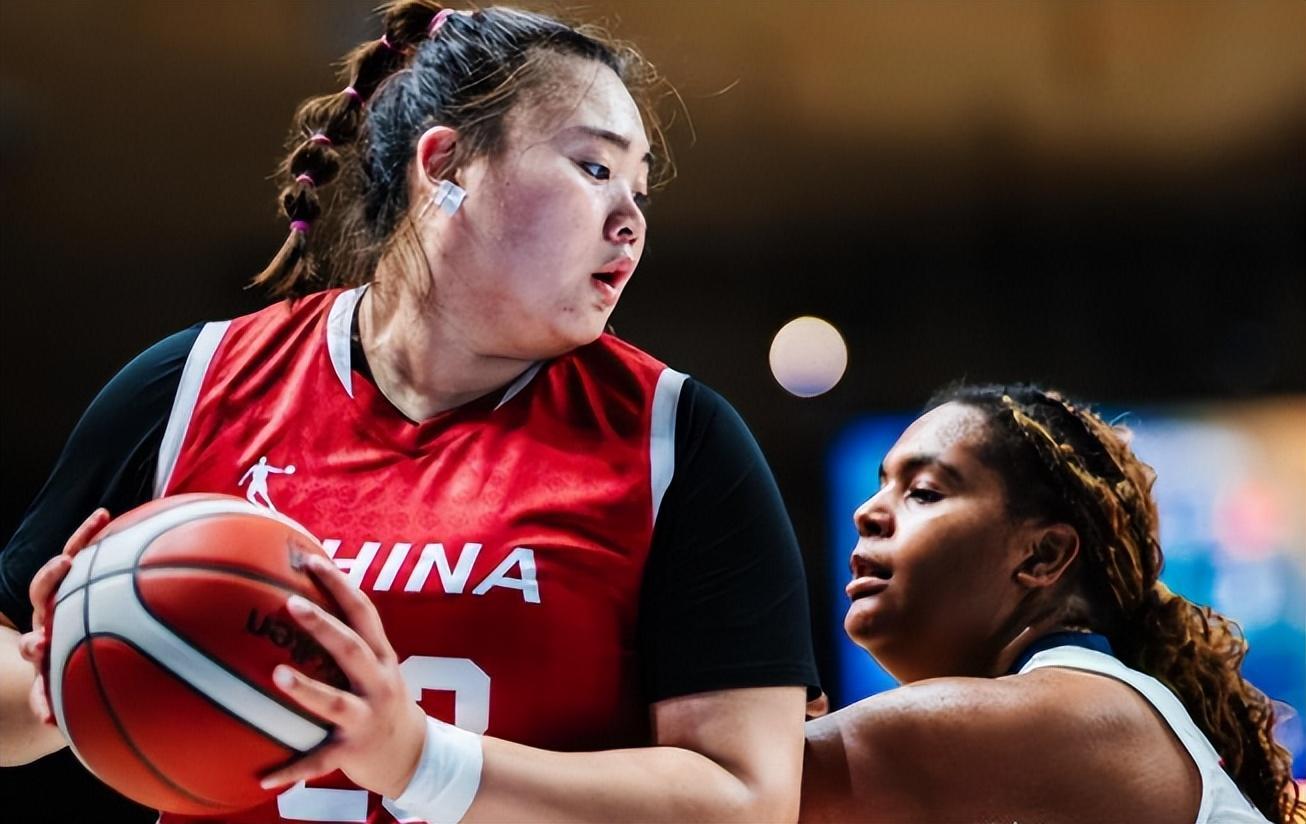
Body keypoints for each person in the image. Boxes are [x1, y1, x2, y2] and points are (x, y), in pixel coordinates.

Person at [0, 3, 819, 822]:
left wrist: (421, 761)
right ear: (446, 163)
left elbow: (749, 802)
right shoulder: (191, 383)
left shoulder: (678, 438)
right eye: (595, 168)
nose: (631, 220)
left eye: (639, 188)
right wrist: (67, 666)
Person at [800, 383, 1301, 824]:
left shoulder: (1079, 708)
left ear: (1044, 555)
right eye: (881, 486)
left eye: (924, 492)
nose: (866, 512)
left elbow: (765, 787)